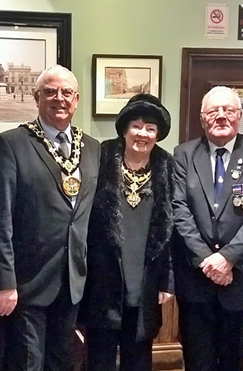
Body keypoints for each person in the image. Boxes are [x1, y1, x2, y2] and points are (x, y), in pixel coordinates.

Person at [0, 64, 100, 370]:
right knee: (27, 364)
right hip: (27, 283)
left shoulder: (92, 149)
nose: (58, 98)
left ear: (76, 100)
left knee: (64, 362)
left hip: (73, 280)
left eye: (66, 92)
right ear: (36, 97)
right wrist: (5, 282)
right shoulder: (12, 144)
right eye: (50, 91)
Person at [172, 86, 243, 371]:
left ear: (239, 115)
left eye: (228, 110)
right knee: (197, 359)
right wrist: (208, 260)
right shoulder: (183, 154)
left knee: (234, 360)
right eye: (213, 111)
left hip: (241, 279)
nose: (221, 116)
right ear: (202, 118)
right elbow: (178, 209)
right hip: (196, 278)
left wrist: (228, 258)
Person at [80, 94, 175, 371]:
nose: (142, 133)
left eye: (151, 128)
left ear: (157, 134)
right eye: (137, 125)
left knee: (138, 359)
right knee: (99, 359)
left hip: (145, 280)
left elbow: (173, 228)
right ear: (124, 129)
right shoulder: (100, 157)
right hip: (102, 279)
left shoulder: (167, 166)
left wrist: (167, 281)